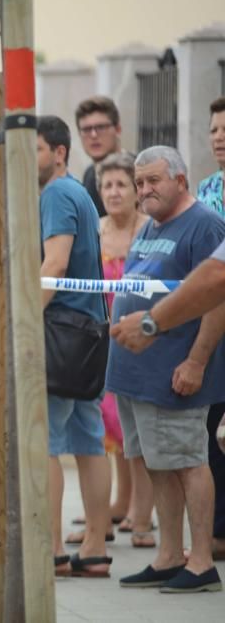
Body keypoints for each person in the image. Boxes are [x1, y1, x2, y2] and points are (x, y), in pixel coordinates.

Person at [105, 146, 225, 593]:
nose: (143, 190)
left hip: (174, 370)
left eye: (152, 181)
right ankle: (169, 554)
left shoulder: (205, 225)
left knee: (188, 461)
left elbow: (217, 297)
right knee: (158, 463)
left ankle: (200, 562)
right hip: (136, 373)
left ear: (180, 178)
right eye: (139, 183)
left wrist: (195, 361)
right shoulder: (152, 224)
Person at [35, 116, 113, 577]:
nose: (28, 160)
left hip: (61, 332)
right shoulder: (77, 193)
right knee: (88, 442)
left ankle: (51, 550)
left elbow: (55, 262)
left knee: (45, 443)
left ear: (59, 153)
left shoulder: (58, 193)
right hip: (87, 330)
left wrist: (22, 319)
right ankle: (96, 547)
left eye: (37, 149)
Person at [65, 152, 154, 550]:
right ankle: (117, 506)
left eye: (122, 184)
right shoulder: (94, 231)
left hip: (145, 340)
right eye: (107, 185)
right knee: (109, 429)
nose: (114, 193)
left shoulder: (150, 231)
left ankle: (143, 515)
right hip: (102, 340)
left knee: (139, 432)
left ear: (136, 191)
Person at [195, 96, 225, 561]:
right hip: (213, 320)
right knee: (211, 427)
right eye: (215, 129)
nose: (219, 138)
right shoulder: (206, 188)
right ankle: (217, 532)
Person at [76, 95, 125, 217]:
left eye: (101, 127)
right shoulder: (89, 173)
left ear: (118, 129)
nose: (93, 135)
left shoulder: (137, 169)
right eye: (86, 129)